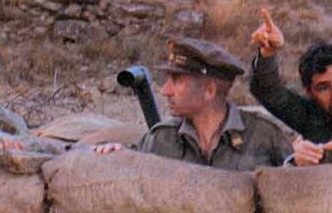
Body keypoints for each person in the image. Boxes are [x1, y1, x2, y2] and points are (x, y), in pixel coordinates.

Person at [94, 38, 291, 171]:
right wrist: (115, 152)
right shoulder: (162, 138)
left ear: (209, 90)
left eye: (177, 80)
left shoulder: (264, 135)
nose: (165, 90)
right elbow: (129, 166)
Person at [249, 9, 332, 143]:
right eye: (324, 88)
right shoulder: (310, 117)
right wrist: (268, 52)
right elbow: (269, 92)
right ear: (310, 92)